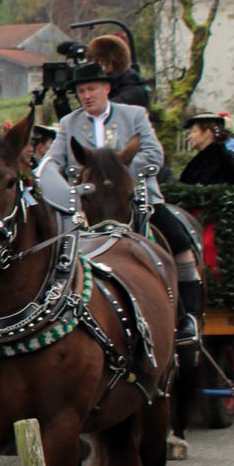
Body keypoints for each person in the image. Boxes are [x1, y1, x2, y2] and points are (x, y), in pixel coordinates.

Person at [47, 63, 200, 338]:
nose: (86, 95)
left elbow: (153, 153)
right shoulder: (69, 123)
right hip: (88, 205)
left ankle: (187, 314)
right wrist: (42, 177)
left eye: (92, 88)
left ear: (107, 88)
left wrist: (115, 172)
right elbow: (53, 162)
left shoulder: (134, 115)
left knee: (179, 240)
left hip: (135, 197)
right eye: (81, 91)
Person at [179, 112, 234, 185]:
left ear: (207, 133)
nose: (188, 138)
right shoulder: (202, 159)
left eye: (193, 131)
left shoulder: (222, 161)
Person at [84, 33, 149, 110]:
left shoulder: (133, 90)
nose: (95, 68)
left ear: (112, 61)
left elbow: (105, 111)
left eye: (99, 61)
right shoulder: (112, 83)